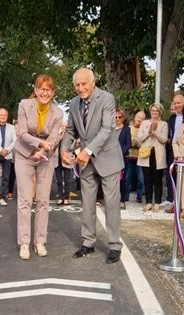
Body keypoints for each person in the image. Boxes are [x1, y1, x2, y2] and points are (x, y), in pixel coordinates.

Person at [60, 68, 124, 264]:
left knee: (111, 204)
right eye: (77, 85)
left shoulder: (106, 99)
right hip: (85, 163)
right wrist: (63, 149)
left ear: (93, 82)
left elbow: (107, 130)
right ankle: (88, 242)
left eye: (84, 84)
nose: (81, 88)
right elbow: (71, 130)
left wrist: (87, 151)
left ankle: (114, 245)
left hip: (107, 159)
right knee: (87, 204)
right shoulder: (72, 104)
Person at [13, 74, 63, 260]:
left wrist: (43, 149)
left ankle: (39, 241)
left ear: (52, 92)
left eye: (48, 89)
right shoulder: (24, 105)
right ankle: (24, 243)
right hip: (24, 155)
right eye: (41, 88)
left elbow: (54, 138)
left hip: (45, 156)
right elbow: (23, 133)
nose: (44, 92)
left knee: (43, 201)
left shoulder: (58, 113)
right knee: (25, 200)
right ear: (35, 90)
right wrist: (37, 146)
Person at [137, 103, 168, 213]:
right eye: (153, 110)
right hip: (146, 154)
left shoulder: (164, 124)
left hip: (158, 154)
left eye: (156, 111)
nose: (154, 112)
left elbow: (164, 139)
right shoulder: (145, 123)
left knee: (158, 180)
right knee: (147, 180)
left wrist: (155, 131)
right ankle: (149, 202)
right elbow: (139, 139)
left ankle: (158, 203)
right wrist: (149, 132)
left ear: (160, 112)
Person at [164, 93, 184, 212]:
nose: (177, 105)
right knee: (171, 174)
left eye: (179, 103)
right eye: (175, 103)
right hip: (172, 149)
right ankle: (173, 200)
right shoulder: (172, 118)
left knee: (183, 176)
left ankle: (183, 203)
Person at [124, 111, 146, 204]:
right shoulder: (129, 128)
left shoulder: (144, 131)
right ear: (135, 117)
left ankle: (139, 196)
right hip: (129, 156)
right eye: (138, 117)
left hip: (140, 157)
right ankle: (125, 196)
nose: (139, 119)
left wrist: (136, 143)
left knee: (140, 179)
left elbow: (143, 143)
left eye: (142, 118)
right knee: (127, 178)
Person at [116, 110, 131, 210]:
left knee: (122, 179)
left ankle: (122, 200)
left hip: (122, 157)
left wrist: (120, 152)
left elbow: (128, 143)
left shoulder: (126, 129)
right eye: (115, 117)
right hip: (110, 158)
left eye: (119, 117)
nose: (117, 119)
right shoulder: (109, 129)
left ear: (123, 118)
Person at [55, 122, 72, 206]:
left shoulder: (70, 136)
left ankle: (66, 197)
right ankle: (60, 197)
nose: (64, 128)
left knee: (67, 180)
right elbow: (53, 145)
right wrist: (60, 136)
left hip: (67, 160)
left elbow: (72, 147)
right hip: (57, 160)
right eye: (62, 126)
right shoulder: (57, 135)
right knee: (59, 180)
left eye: (65, 126)